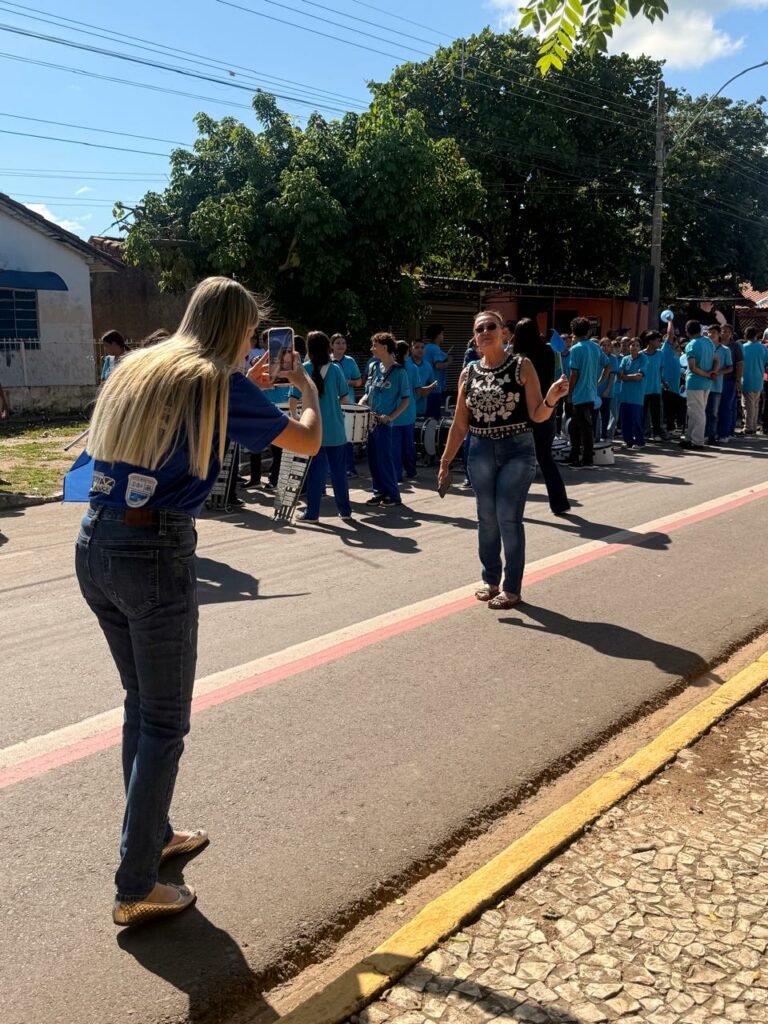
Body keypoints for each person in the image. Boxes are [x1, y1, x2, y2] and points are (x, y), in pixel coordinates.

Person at [76, 277, 321, 926]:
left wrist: (251, 383)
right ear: (237, 330)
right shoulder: (217, 381)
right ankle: (135, 884)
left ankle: (153, 838)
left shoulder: (142, 367)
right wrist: (305, 392)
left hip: (95, 543)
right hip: (154, 552)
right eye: (249, 334)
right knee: (164, 723)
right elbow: (306, 442)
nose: (251, 345)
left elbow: (188, 426)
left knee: (141, 706)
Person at [438, 310, 569, 610]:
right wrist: (445, 463)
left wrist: (551, 399)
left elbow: (537, 414)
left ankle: (512, 587)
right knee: (486, 519)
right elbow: (460, 425)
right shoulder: (468, 372)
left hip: (517, 450)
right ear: (474, 337)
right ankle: (490, 579)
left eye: (491, 326)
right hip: (480, 449)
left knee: (508, 518)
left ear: (503, 332)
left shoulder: (521, 365)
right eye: (479, 328)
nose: (485, 331)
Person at [289, 331, 352, 523]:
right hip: (336, 429)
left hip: (313, 430)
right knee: (339, 473)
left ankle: (312, 513)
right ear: (327, 347)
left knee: (316, 473)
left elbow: (293, 399)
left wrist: (297, 418)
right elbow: (344, 397)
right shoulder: (336, 369)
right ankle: (345, 511)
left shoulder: (304, 369)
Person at [513, 318, 570, 516]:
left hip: (524, 413)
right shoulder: (548, 351)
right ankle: (560, 503)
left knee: (518, 461)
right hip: (547, 406)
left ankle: (513, 506)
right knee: (545, 458)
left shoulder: (518, 357)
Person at [362, 332, 411, 507]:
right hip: (370, 421)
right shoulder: (374, 367)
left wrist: (391, 417)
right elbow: (368, 393)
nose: (372, 349)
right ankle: (379, 492)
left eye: (375, 345)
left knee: (385, 460)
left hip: (384, 424)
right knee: (373, 459)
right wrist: (361, 403)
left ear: (384, 347)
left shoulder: (399, 372)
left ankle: (393, 495)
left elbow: (406, 399)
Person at [567, 317, 609, 469]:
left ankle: (586, 460)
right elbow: (608, 365)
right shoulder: (595, 347)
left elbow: (574, 374)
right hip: (590, 394)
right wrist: (599, 380)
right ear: (588, 331)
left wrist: (569, 393)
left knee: (584, 428)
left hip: (579, 394)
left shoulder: (576, 349)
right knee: (575, 427)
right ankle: (574, 455)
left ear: (573, 331)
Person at [680, 320, 717, 450]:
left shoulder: (691, 345)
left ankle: (697, 441)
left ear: (687, 330)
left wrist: (707, 374)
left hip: (695, 382)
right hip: (706, 384)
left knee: (697, 413)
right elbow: (716, 359)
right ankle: (689, 438)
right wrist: (712, 372)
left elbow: (693, 367)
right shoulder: (708, 342)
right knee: (695, 412)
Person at [330, 333, 362, 477]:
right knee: (332, 436)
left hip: (347, 404)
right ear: (332, 345)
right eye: (338, 343)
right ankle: (332, 469)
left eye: (343, 343)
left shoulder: (350, 361)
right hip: (330, 404)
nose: (341, 345)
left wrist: (347, 382)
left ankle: (350, 468)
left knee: (347, 437)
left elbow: (359, 382)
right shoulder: (327, 361)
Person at [392, 340, 419, 481]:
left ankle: (396, 474)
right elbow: (418, 389)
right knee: (408, 445)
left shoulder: (390, 367)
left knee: (395, 447)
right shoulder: (413, 367)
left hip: (393, 413)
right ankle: (411, 470)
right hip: (408, 411)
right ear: (407, 351)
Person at [617, 338, 648, 448]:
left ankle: (639, 441)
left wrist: (625, 377)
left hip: (636, 396)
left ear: (640, 348)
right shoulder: (625, 359)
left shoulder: (644, 359)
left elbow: (638, 377)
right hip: (625, 395)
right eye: (632, 345)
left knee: (636, 419)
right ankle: (628, 441)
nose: (634, 347)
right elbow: (619, 375)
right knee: (625, 420)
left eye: (637, 345)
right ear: (629, 347)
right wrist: (628, 377)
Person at [705, 325, 732, 444]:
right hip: (703, 384)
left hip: (716, 385)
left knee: (713, 413)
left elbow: (730, 367)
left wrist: (719, 372)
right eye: (709, 332)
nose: (711, 335)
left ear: (719, 334)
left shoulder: (725, 350)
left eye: (714, 333)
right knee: (702, 411)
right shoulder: (704, 348)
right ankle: (703, 434)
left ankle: (712, 435)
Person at [717, 324, 742, 441]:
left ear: (731, 334)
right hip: (715, 381)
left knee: (727, 407)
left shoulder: (735, 346)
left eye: (727, 332)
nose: (725, 333)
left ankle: (726, 433)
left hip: (729, 380)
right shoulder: (715, 345)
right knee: (716, 407)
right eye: (723, 331)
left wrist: (738, 380)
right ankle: (716, 431)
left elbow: (739, 364)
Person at [741, 327, 768, 434]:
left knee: (747, 405)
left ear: (745, 335)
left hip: (746, 379)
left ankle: (748, 428)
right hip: (759, 378)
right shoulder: (763, 348)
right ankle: (753, 425)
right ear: (756, 335)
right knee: (755, 404)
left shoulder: (743, 347)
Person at [640, 330, 665, 441]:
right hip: (642, 390)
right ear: (649, 341)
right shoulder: (640, 355)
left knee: (656, 414)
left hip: (656, 389)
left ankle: (657, 434)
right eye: (657, 341)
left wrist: (664, 381)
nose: (659, 343)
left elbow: (661, 369)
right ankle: (641, 433)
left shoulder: (660, 353)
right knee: (642, 414)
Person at [423, 324, 451, 418]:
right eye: (442, 334)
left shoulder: (425, 347)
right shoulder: (435, 348)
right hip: (434, 387)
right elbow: (438, 365)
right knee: (434, 418)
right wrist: (448, 362)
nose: (443, 336)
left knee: (425, 417)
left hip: (424, 385)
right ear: (437, 335)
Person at [661, 324, 685, 433]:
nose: (675, 343)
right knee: (667, 411)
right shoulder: (665, 350)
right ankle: (666, 430)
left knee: (672, 411)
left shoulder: (677, 355)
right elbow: (670, 335)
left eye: (676, 342)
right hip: (666, 387)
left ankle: (671, 430)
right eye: (673, 341)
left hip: (675, 388)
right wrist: (670, 321)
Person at [595, 337, 618, 441]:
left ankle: (604, 435)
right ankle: (595, 436)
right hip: (595, 390)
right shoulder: (596, 357)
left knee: (605, 414)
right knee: (594, 415)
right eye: (603, 345)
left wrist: (608, 389)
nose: (605, 347)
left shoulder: (613, 358)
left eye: (608, 345)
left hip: (606, 391)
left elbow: (612, 376)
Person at [407, 339, 438, 416]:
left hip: (421, 407)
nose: (420, 350)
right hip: (405, 407)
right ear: (411, 349)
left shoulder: (428, 366)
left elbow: (433, 383)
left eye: (422, 347)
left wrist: (425, 391)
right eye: (417, 347)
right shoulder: (406, 364)